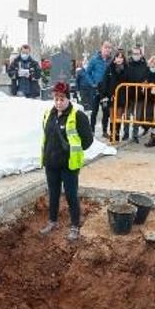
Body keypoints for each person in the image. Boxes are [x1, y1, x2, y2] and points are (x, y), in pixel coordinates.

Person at [39, 82, 94, 241]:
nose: (58, 102)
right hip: (51, 163)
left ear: (68, 99)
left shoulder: (77, 115)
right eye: (56, 99)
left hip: (69, 164)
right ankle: (52, 221)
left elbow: (88, 140)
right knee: (53, 194)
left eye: (62, 99)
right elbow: (46, 135)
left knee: (71, 195)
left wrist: (73, 149)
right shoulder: (48, 113)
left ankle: (75, 225)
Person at [99, 50, 129, 141]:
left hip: (122, 95)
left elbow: (127, 79)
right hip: (111, 95)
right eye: (117, 57)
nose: (119, 59)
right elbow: (105, 81)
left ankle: (117, 133)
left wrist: (122, 69)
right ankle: (112, 133)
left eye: (121, 57)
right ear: (114, 58)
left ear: (123, 59)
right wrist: (104, 95)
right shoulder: (110, 68)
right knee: (112, 115)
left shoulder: (126, 68)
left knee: (119, 115)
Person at [85, 41, 114, 134]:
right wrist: (92, 83)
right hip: (95, 89)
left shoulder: (111, 61)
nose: (107, 49)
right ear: (101, 48)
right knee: (94, 111)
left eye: (109, 47)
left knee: (106, 112)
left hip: (105, 91)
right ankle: (91, 130)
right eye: (105, 47)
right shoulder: (94, 59)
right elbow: (87, 73)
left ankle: (104, 131)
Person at [124, 45, 150, 143]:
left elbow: (147, 76)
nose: (136, 55)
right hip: (129, 94)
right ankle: (126, 133)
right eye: (134, 53)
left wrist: (146, 82)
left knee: (137, 116)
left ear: (140, 54)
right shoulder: (128, 64)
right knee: (126, 115)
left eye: (137, 54)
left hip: (140, 94)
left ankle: (135, 135)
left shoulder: (144, 64)